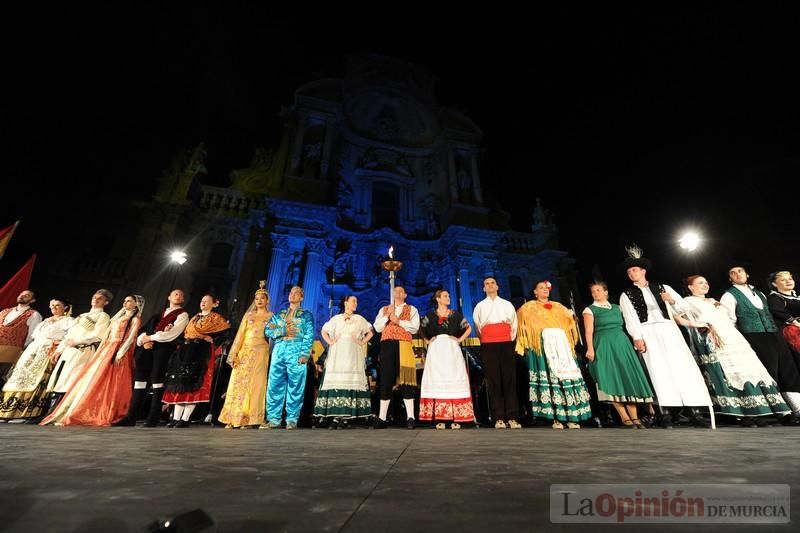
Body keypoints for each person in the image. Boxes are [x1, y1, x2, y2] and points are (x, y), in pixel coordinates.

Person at [618, 247, 713, 428]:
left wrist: (671, 300)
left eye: (635, 270)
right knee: (658, 370)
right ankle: (666, 412)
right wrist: (637, 337)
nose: (631, 273)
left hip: (669, 329)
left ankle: (695, 411)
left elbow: (685, 309)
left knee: (682, 367)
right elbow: (630, 318)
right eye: (629, 271)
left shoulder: (663, 288)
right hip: (648, 332)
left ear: (643, 271)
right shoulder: (627, 294)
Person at [681, 275, 789, 426]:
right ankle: (744, 414)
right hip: (715, 339)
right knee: (731, 375)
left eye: (706, 282)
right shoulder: (687, 302)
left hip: (733, 338)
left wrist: (717, 306)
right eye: (700, 283)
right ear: (690, 287)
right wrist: (700, 326)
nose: (705, 285)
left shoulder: (713, 301)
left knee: (748, 371)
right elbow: (681, 318)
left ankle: (758, 411)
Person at [41, 295, 145, 426]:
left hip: (117, 349)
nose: (125, 303)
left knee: (111, 380)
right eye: (124, 300)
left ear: (136, 304)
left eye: (129, 301)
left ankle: (109, 411)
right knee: (94, 378)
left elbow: (131, 337)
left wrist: (121, 352)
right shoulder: (119, 317)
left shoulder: (134, 319)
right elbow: (108, 333)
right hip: (107, 348)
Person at [721, 265, 800, 423]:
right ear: (730, 278)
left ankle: (795, 409)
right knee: (770, 372)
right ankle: (777, 411)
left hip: (773, 333)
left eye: (741, 271)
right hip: (753, 335)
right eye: (733, 273)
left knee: (787, 370)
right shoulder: (729, 295)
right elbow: (730, 320)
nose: (738, 274)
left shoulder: (760, 293)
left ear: (747, 274)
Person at [516, 280, 592, 429]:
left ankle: (571, 416)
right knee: (551, 379)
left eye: (546, 288)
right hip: (542, 348)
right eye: (541, 288)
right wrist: (526, 345)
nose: (544, 290)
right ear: (535, 292)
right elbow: (522, 327)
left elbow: (570, 324)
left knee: (566, 378)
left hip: (562, 348)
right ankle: (555, 417)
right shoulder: (527, 308)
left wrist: (572, 320)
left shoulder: (559, 307)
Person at [582, 281, 654, 428]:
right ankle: (624, 417)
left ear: (606, 292)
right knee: (611, 378)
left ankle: (635, 417)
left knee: (627, 377)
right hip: (603, 344)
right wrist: (590, 349)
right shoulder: (590, 310)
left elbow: (629, 325)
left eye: (598, 290)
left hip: (622, 343)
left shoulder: (617, 308)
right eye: (593, 291)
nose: (596, 293)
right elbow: (588, 332)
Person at [113, 289, 188, 427]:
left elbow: (173, 334)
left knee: (157, 381)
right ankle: (131, 417)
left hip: (163, 351)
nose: (179, 296)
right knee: (139, 381)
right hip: (147, 350)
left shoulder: (182, 314)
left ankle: (153, 417)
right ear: (169, 297)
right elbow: (144, 330)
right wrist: (144, 340)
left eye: (182, 295)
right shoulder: (157, 315)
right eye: (176, 294)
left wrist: (151, 337)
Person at [162, 294, 230, 427]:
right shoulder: (194, 318)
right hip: (187, 350)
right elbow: (185, 334)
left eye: (206, 301)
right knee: (180, 382)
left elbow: (226, 333)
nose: (203, 303)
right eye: (202, 301)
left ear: (214, 304)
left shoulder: (216, 319)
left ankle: (185, 419)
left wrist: (212, 340)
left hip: (202, 351)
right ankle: (176, 418)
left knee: (195, 381)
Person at [0, 298, 72, 421]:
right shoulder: (46, 321)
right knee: (18, 378)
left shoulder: (68, 321)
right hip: (33, 349)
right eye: (52, 306)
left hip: (47, 350)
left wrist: (58, 345)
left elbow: (69, 336)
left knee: (35, 379)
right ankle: (7, 412)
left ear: (65, 307)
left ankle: (25, 413)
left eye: (57, 306)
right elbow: (34, 336)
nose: (54, 308)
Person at [44, 289, 112, 414]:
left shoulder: (103, 316)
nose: (95, 300)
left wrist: (78, 341)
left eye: (100, 298)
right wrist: (59, 350)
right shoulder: (82, 315)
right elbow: (69, 334)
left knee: (70, 380)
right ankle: (49, 412)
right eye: (94, 297)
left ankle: (60, 412)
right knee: (59, 379)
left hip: (82, 350)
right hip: (68, 351)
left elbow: (98, 336)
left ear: (106, 302)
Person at [314, 295, 373, 428]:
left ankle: (347, 416)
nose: (355, 303)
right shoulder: (336, 319)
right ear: (346, 303)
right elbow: (324, 331)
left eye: (356, 301)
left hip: (353, 354)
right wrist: (330, 342)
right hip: (338, 354)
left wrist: (362, 342)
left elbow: (371, 332)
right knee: (338, 379)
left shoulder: (359, 319)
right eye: (353, 301)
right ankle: (336, 416)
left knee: (351, 380)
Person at [218, 282, 273, 429]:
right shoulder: (249, 315)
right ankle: (233, 417)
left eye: (262, 298)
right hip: (245, 352)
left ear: (267, 301)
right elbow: (240, 335)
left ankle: (249, 418)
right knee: (238, 383)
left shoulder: (271, 316)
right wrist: (233, 354)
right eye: (257, 299)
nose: (259, 301)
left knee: (256, 384)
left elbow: (274, 335)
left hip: (261, 352)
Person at [419, 289, 473, 429]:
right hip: (436, 350)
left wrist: (459, 340)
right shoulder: (430, 315)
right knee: (438, 379)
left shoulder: (455, 315)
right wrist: (427, 340)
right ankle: (440, 418)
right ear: (438, 299)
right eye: (445, 296)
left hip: (451, 349)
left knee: (454, 378)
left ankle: (457, 417)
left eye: (448, 296)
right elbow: (421, 328)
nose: (448, 298)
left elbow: (468, 328)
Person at [472, 276, 520, 429]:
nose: (490, 285)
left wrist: (507, 339)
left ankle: (512, 417)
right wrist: (487, 338)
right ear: (483, 288)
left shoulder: (507, 304)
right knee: (493, 380)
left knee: (509, 379)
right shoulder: (479, 306)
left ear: (497, 286)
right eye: (486, 284)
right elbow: (478, 326)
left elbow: (514, 324)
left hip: (505, 342)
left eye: (492, 283)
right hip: (488, 343)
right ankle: (498, 417)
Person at [264, 286, 314, 430]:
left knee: (296, 385)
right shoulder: (279, 314)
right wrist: (283, 330)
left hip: (296, 349)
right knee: (274, 384)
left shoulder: (306, 315)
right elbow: (268, 330)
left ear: (301, 297)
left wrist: (305, 354)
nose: (292, 295)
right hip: (279, 349)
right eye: (291, 293)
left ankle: (292, 419)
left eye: (296, 293)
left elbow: (309, 335)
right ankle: (274, 419)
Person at [372, 286, 420, 429]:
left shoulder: (412, 309)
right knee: (386, 379)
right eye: (396, 291)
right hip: (387, 345)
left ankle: (410, 417)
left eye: (401, 291)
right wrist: (388, 316)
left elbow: (415, 327)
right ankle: (382, 417)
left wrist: (398, 321)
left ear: (405, 295)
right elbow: (377, 328)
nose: (398, 293)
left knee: (407, 380)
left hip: (404, 344)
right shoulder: (384, 309)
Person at [0, 290, 43, 382]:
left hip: (11, 351)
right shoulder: (5, 311)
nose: (22, 296)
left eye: (26, 295)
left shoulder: (34, 315)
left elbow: (32, 335)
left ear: (32, 300)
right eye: (21, 294)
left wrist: (22, 350)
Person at [767, 271, 800, 353]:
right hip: (791, 333)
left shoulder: (796, 296)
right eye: (783, 280)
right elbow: (779, 313)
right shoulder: (774, 298)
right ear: (774, 284)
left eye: (790, 279)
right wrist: (796, 323)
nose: (788, 281)